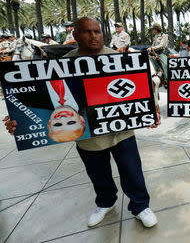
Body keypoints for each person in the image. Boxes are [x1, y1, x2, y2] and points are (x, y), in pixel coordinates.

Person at [4, 17, 160, 228]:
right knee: (97, 173)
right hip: (88, 137)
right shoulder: (59, 66)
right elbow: (31, 99)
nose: (94, 36)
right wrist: (18, 122)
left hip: (121, 132)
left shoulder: (119, 59)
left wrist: (152, 110)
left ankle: (141, 206)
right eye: (87, 32)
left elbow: (141, 91)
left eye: (97, 31)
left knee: (132, 170)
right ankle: (105, 202)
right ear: (75, 35)